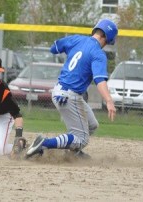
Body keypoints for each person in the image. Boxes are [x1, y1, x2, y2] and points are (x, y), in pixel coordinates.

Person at [26, 19, 118, 159]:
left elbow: (54, 48)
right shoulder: (98, 54)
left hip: (60, 91)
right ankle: (44, 143)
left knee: (91, 125)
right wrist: (109, 100)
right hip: (69, 96)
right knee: (81, 138)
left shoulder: (77, 39)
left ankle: (72, 153)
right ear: (107, 38)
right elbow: (99, 80)